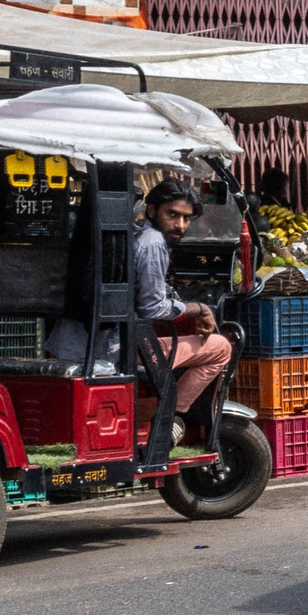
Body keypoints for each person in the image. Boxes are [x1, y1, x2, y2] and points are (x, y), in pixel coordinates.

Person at [137, 179, 230, 440]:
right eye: (173, 215)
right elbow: (153, 308)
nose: (180, 225)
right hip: (122, 349)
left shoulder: (137, 234)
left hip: (116, 341)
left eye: (186, 218)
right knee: (221, 348)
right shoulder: (153, 241)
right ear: (152, 210)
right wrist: (198, 308)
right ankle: (170, 415)